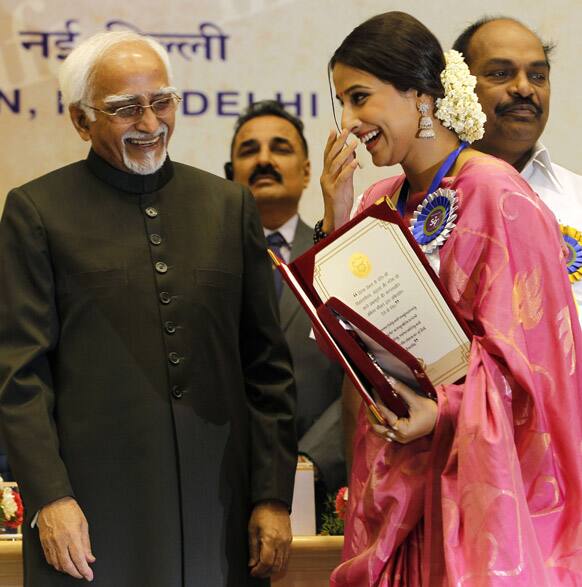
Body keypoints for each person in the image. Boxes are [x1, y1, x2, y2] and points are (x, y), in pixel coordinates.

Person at [0, 31, 296, 587]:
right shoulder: (35, 212)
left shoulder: (228, 207)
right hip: (90, 520)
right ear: (80, 120)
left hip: (221, 514)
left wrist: (272, 496)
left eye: (162, 101)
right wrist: (50, 497)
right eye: (124, 109)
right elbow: (19, 376)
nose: (150, 122)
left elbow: (267, 368)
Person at [319, 11, 582, 585]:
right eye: (342, 102)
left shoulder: (498, 194)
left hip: (477, 489)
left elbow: (540, 367)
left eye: (360, 97)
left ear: (420, 95)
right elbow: (337, 344)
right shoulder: (379, 201)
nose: (348, 122)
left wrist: (445, 412)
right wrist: (336, 219)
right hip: (396, 482)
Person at [227, 101, 345, 520]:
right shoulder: (203, 265)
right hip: (227, 485)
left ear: (307, 170)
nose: (263, 160)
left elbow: (369, 368)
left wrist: (310, 462)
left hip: (330, 483)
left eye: (280, 148)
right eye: (248, 151)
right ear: (230, 175)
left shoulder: (337, 253)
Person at [453, 17, 582, 309]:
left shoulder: (579, 198)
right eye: (500, 73)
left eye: (538, 76)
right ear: (457, 88)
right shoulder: (416, 207)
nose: (524, 89)